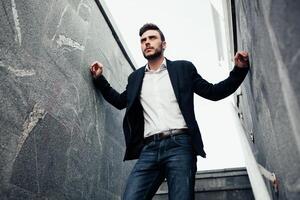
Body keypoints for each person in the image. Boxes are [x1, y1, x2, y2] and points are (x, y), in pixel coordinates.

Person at [90, 23, 249, 200]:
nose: (147, 43)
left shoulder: (183, 69)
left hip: (180, 145)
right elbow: (120, 101)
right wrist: (99, 79)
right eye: (143, 40)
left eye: (152, 38)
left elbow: (213, 92)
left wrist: (238, 71)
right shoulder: (135, 78)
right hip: (149, 150)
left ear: (163, 44)